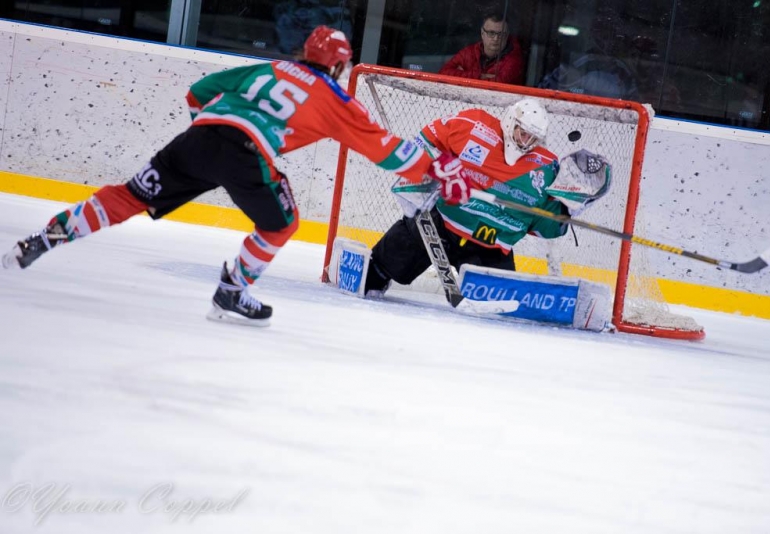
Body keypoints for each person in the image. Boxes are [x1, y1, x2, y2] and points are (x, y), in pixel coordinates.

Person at [2, 26, 471, 326]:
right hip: (246, 154)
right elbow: (385, 150)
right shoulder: (333, 97)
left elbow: (197, 92)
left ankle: (45, 238)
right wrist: (435, 169)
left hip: (198, 139)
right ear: (340, 65)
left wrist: (207, 146)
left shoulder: (269, 67)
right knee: (281, 223)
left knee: (128, 196)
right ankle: (232, 290)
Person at [364, 98, 611, 295]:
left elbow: (545, 226)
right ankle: (374, 275)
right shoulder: (471, 125)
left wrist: (570, 209)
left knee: (498, 313)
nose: (526, 141)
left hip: (489, 251)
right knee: (373, 275)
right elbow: (425, 141)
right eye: (522, 132)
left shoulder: (546, 168)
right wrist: (428, 176)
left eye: (533, 137)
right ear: (510, 122)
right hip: (437, 226)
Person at [438, 10, 525, 85]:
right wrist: (480, 76)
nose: (496, 38)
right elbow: (442, 74)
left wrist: (463, 74)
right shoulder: (469, 53)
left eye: (501, 34)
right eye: (491, 33)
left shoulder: (514, 60)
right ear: (482, 33)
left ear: (507, 35)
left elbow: (496, 85)